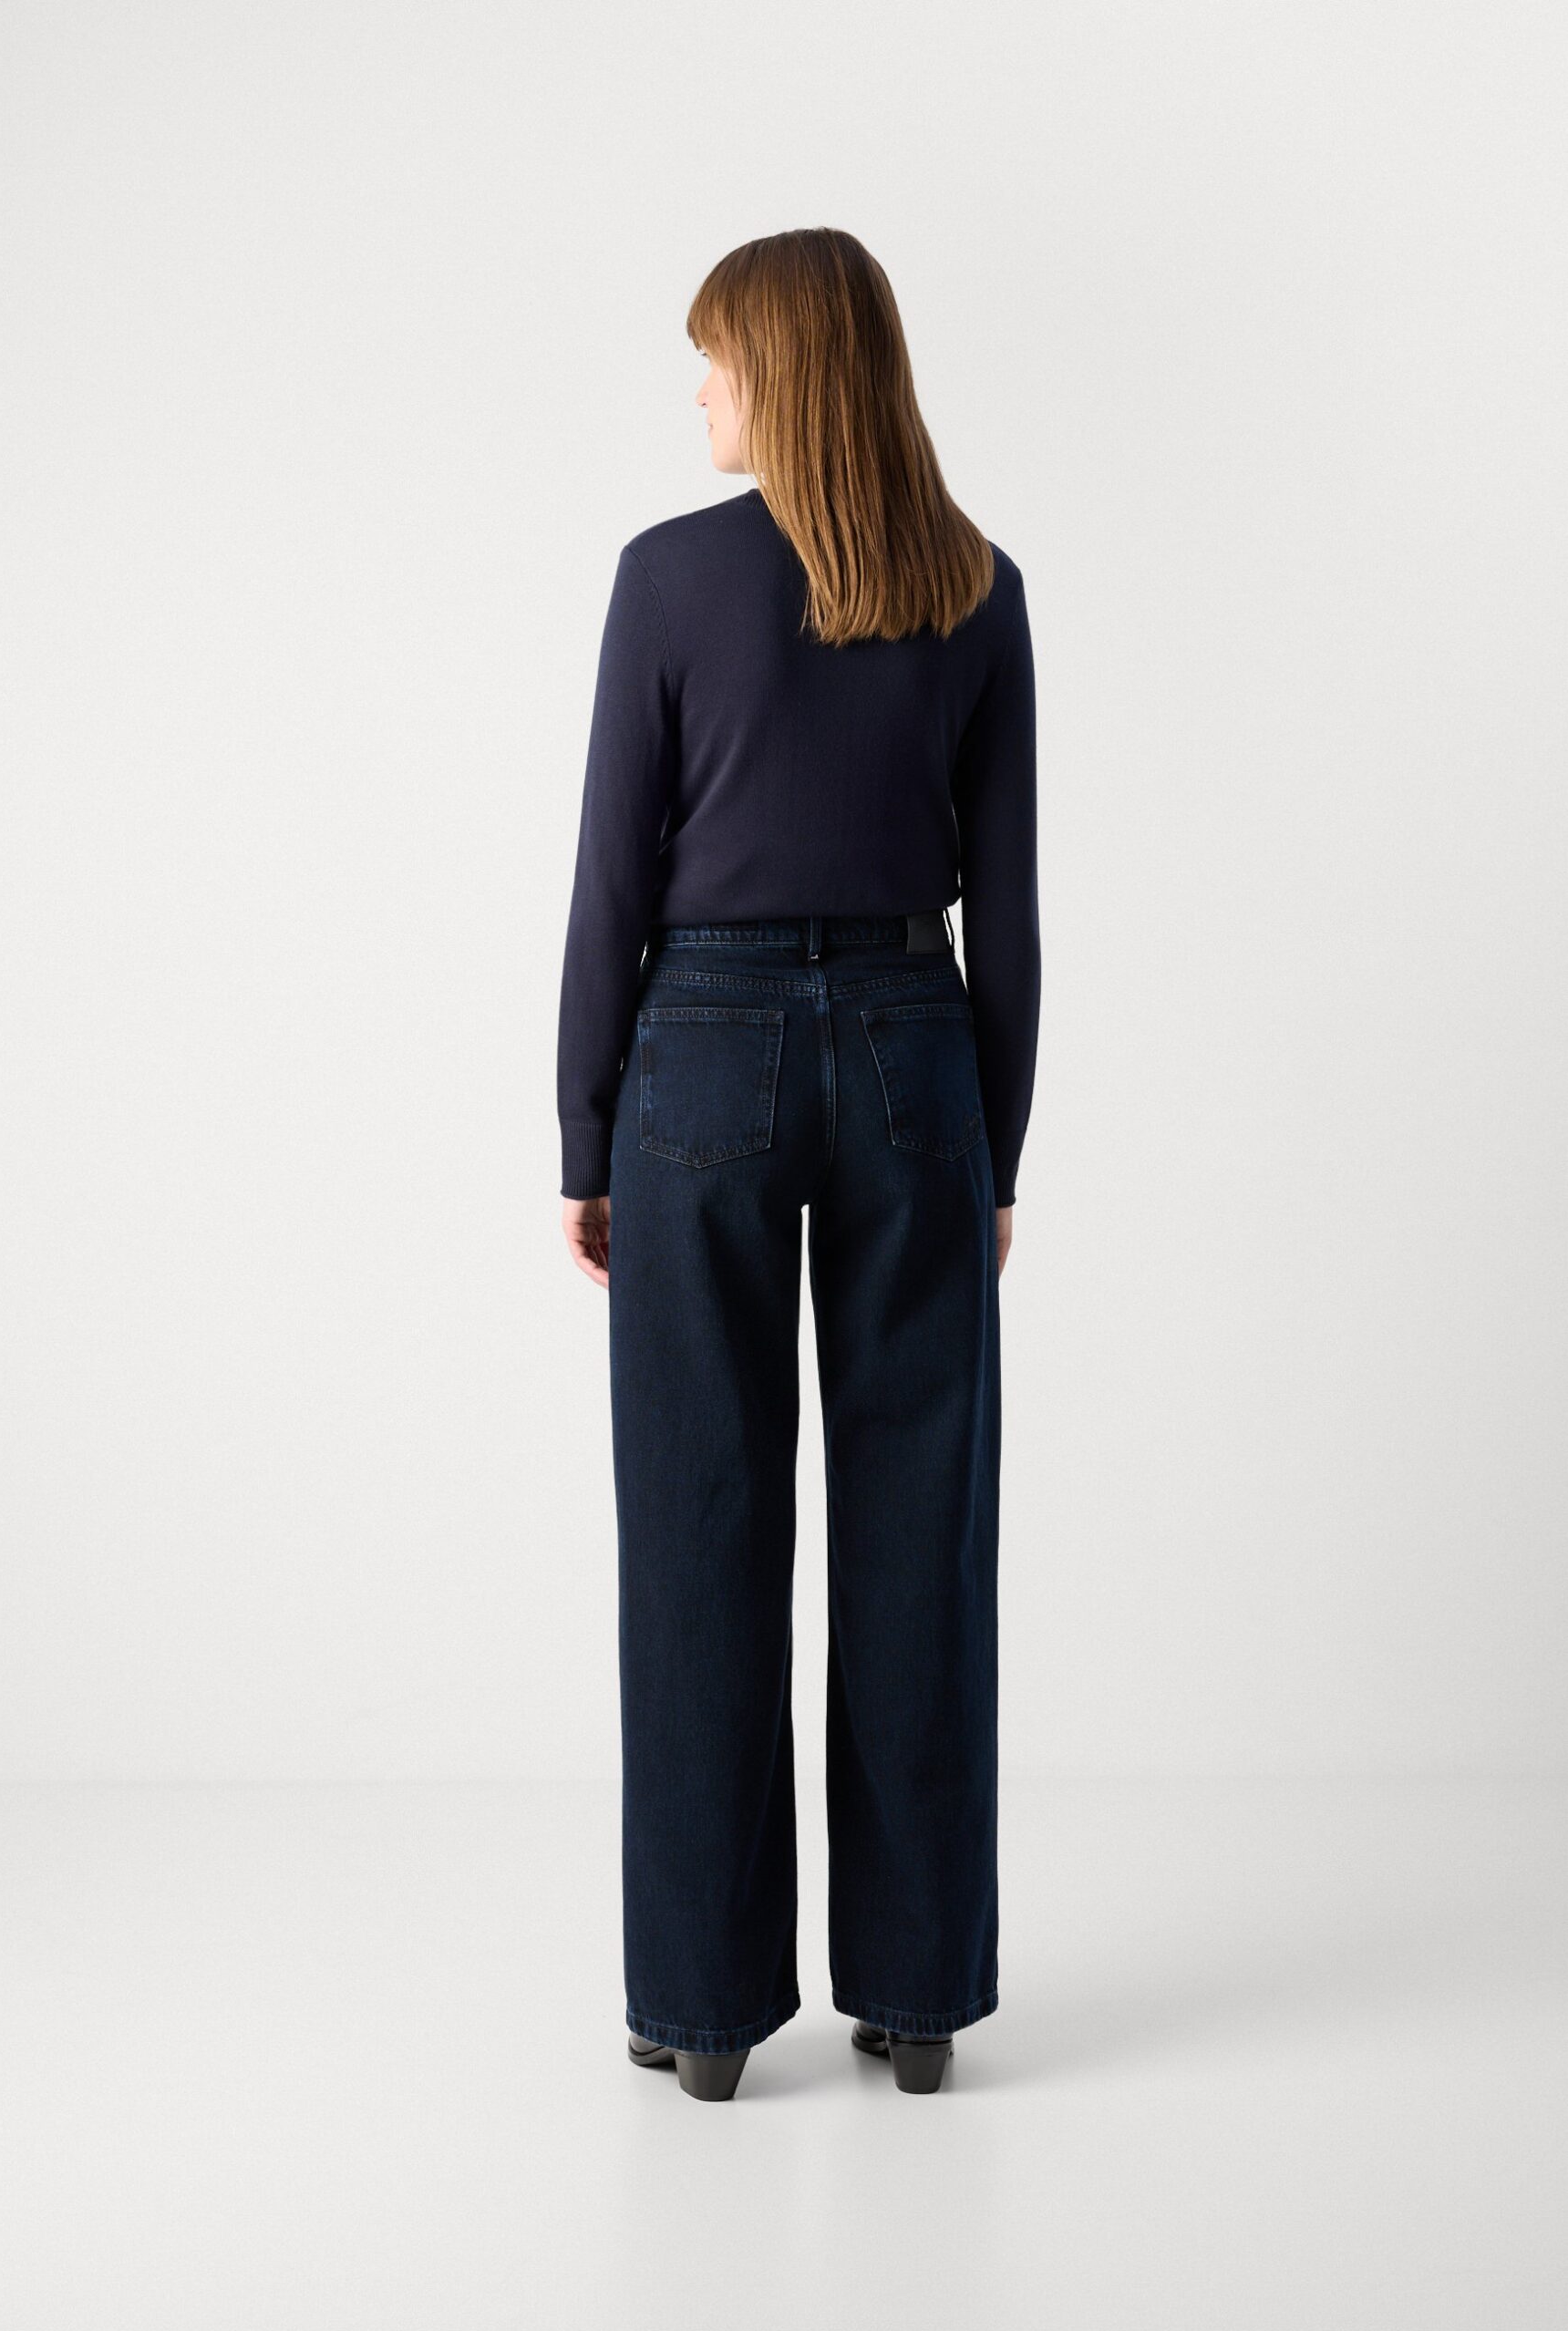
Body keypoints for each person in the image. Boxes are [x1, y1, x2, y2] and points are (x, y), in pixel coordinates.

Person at [555, 228, 1040, 2102]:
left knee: (697, 1523)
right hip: (917, 1050)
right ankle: (914, 1999)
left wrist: (582, 1125)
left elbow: (612, 878)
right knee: (921, 1527)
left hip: (703, 1055)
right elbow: (1006, 909)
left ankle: (700, 2010)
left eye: (716, 358)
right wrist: (997, 1146)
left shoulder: (667, 579)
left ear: (781, 372)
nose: (697, 389)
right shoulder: (975, 586)